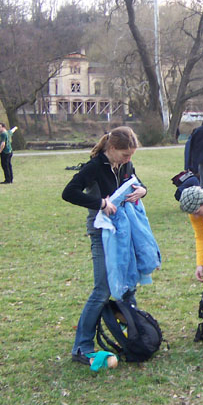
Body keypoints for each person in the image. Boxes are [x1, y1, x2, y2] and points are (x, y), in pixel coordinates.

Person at [62, 127, 148, 365]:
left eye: (131, 155)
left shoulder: (125, 164)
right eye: (124, 155)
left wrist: (143, 190)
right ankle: (82, 346)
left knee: (129, 284)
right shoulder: (94, 167)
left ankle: (135, 338)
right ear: (111, 149)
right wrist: (100, 202)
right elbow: (69, 193)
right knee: (103, 289)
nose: (128, 159)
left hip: (123, 228)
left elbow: (136, 183)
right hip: (101, 231)